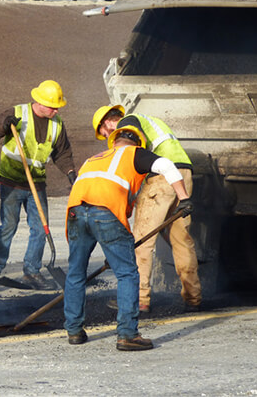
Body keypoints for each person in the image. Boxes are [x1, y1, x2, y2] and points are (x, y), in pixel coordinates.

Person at [63, 125, 193, 350]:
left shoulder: (92, 159)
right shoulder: (135, 154)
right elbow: (167, 165)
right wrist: (184, 198)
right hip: (106, 213)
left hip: (76, 211)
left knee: (75, 273)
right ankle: (127, 334)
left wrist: (111, 249)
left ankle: (74, 331)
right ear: (137, 143)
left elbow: (88, 194)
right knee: (128, 274)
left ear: (114, 142)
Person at [92, 105, 202, 313]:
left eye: (106, 134)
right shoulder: (151, 120)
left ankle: (139, 299)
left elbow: (128, 156)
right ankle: (193, 298)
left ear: (107, 123)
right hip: (183, 175)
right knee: (182, 241)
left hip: (162, 177)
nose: (111, 139)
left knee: (142, 241)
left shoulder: (128, 123)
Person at [0, 80, 77, 292]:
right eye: (53, 106)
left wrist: (70, 173)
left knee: (41, 229)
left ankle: (32, 272)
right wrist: (3, 126)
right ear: (39, 102)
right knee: (7, 227)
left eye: (57, 106)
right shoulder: (17, 113)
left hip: (37, 184)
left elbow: (62, 153)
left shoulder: (57, 124)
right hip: (11, 183)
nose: (56, 109)